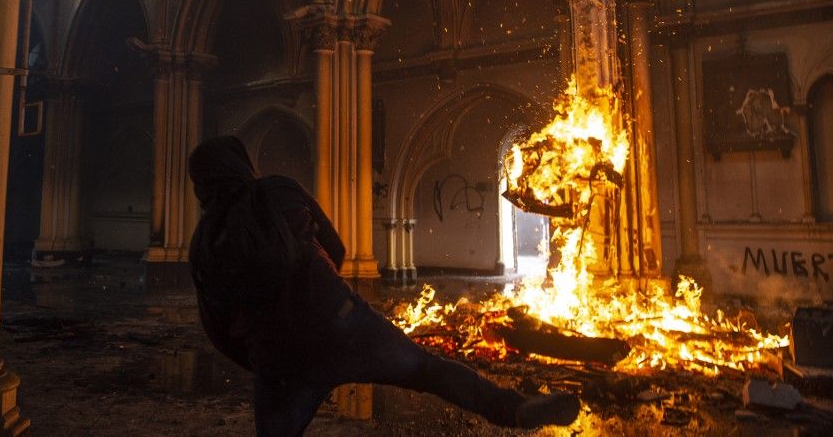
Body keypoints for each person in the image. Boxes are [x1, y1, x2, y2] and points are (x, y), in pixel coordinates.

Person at [188, 136, 581, 436]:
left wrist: (265, 360)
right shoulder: (277, 190)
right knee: (427, 370)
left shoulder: (202, 242)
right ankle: (512, 409)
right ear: (242, 163)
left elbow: (217, 327)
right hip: (343, 323)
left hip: (278, 360)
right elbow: (336, 246)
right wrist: (330, 300)